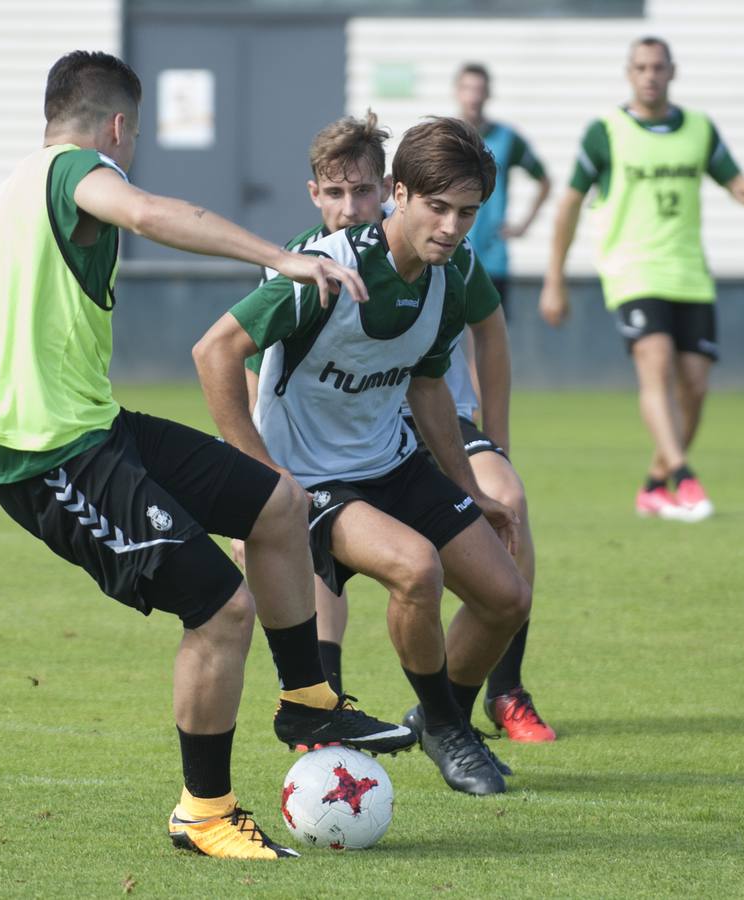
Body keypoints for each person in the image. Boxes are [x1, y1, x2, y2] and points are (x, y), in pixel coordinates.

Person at [0, 50, 413, 861]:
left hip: (99, 430)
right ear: (117, 127)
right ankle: (205, 812)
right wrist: (283, 256)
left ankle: (308, 700)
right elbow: (152, 214)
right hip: (47, 461)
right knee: (221, 609)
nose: (133, 149)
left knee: (276, 503)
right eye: (137, 135)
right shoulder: (77, 170)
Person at [195, 117, 532, 797]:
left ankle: (440, 719)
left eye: (467, 213)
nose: (452, 227)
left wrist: (472, 487)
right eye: (437, 207)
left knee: (506, 598)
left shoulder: (452, 273)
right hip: (314, 482)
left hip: (393, 462)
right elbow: (214, 353)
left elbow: (429, 384)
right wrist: (262, 478)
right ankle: (444, 721)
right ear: (398, 194)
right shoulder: (325, 268)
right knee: (416, 568)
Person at [539, 37, 744, 521]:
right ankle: (684, 477)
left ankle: (653, 485)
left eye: (658, 67)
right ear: (629, 73)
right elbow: (570, 205)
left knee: (695, 388)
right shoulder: (605, 131)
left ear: (672, 72)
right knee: (655, 362)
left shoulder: (700, 130)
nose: (649, 75)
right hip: (633, 268)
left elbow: (734, 177)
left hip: (690, 273)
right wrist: (553, 278)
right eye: (641, 67)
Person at [454, 62, 550, 321]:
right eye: (467, 89)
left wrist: (522, 226)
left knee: (488, 338)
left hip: (492, 257)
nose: (473, 96)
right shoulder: (447, 137)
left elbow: (544, 181)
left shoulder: (507, 139)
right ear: (457, 92)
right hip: (450, 251)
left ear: (488, 94)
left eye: (479, 89)